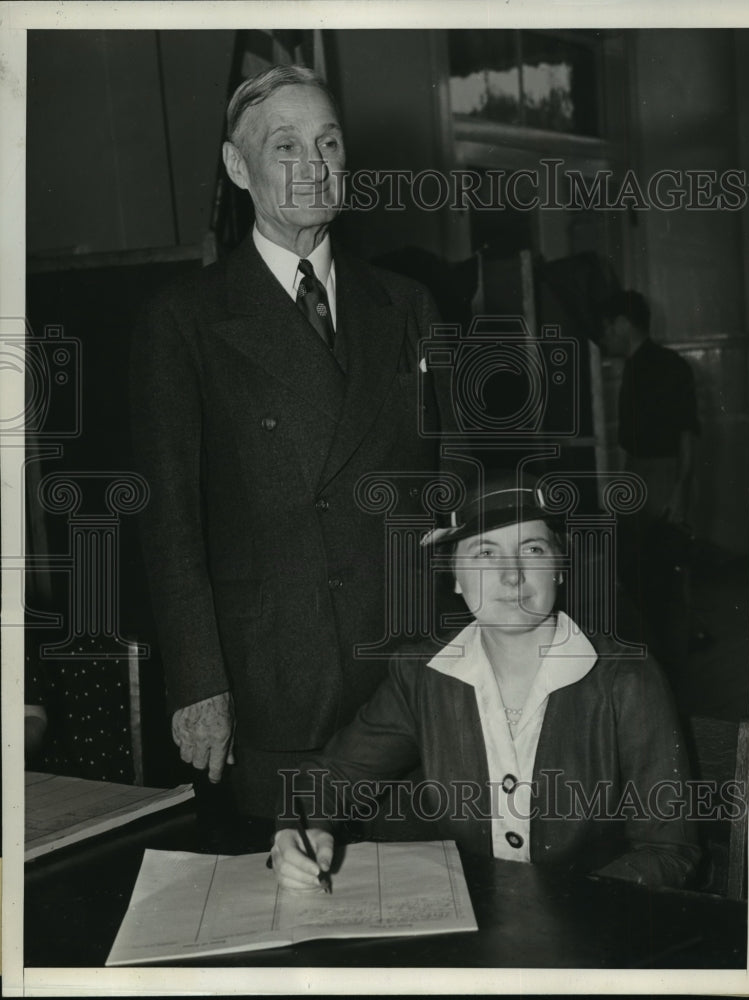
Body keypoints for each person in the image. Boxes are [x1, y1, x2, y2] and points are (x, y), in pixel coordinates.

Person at [130, 66, 451, 818]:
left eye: (327, 142)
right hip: (273, 680)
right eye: (284, 146)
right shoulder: (183, 320)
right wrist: (200, 682)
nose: (313, 166)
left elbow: (445, 484)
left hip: (403, 676)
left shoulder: (405, 303)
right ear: (237, 168)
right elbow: (169, 522)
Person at [271, 475, 701, 892]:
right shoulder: (423, 673)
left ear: (560, 567)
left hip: (592, 934)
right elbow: (331, 779)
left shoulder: (627, 678)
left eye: (532, 549)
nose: (512, 575)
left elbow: (667, 850)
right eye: (484, 554)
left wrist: (575, 910)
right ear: (455, 578)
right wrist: (300, 831)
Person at [599, 290, 701, 669]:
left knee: (664, 569)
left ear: (624, 324)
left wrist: (679, 491)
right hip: (638, 471)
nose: (603, 336)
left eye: (607, 328)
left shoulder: (668, 366)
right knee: (633, 564)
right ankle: (660, 655)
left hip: (663, 473)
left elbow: (687, 434)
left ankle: (674, 662)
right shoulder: (634, 367)